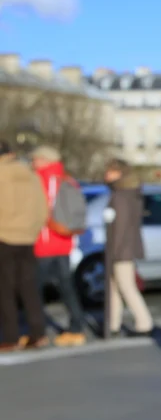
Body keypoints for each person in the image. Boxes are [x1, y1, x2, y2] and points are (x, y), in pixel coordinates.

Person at [31, 145, 89, 347]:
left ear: (44, 160)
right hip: (64, 242)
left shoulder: (40, 179)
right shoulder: (67, 179)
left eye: (35, 159)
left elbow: (38, 211)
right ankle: (77, 326)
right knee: (67, 287)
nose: (32, 163)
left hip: (44, 242)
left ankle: (36, 331)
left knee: (33, 289)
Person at [0, 140, 50, 351]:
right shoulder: (31, 175)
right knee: (29, 287)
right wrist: (33, 229)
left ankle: (10, 337)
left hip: (4, 236)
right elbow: (43, 208)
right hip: (28, 237)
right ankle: (37, 333)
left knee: (5, 290)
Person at [103, 159, 153, 337]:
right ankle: (113, 324)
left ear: (120, 173)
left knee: (125, 286)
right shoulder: (129, 193)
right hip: (126, 248)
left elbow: (121, 227)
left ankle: (144, 322)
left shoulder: (120, 195)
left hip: (121, 250)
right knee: (115, 287)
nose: (106, 174)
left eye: (110, 170)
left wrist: (114, 252)